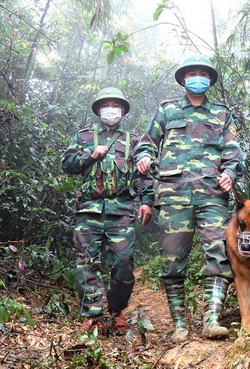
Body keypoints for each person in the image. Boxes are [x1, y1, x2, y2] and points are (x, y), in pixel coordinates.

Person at [135, 54, 245, 341]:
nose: (198, 77)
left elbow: (233, 152)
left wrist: (230, 173)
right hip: (174, 195)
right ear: (183, 78)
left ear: (209, 79)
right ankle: (179, 325)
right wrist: (145, 157)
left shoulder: (222, 113)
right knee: (172, 261)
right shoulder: (167, 110)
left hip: (212, 195)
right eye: (192, 73)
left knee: (219, 256)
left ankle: (211, 319)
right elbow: (146, 143)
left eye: (203, 73)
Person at [61, 87, 154, 333]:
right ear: (98, 109)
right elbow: (67, 164)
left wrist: (146, 201)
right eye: (106, 105)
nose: (110, 109)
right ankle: (91, 313)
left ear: (122, 110)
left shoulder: (134, 141)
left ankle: (117, 309)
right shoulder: (82, 137)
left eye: (115, 105)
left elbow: (143, 175)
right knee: (85, 263)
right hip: (88, 211)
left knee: (123, 263)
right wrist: (90, 156)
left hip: (121, 210)